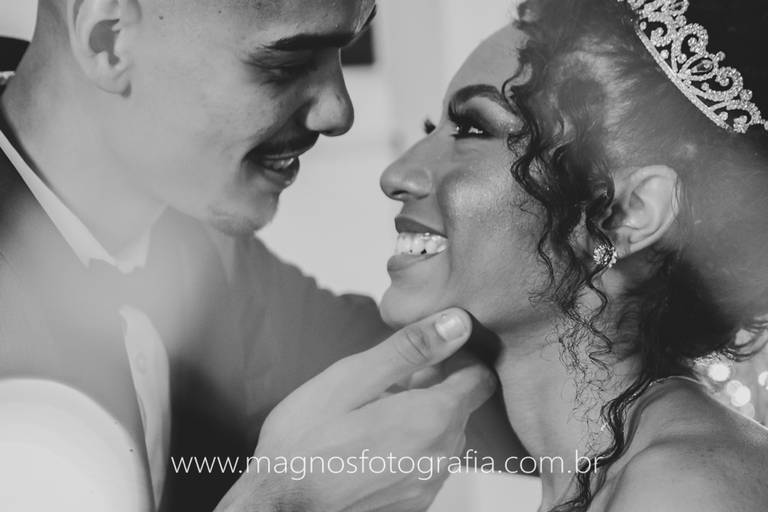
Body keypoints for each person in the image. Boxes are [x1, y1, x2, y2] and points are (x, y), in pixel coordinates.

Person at [0, 1, 504, 511]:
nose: (338, 113)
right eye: (286, 63)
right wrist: (277, 503)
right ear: (107, 40)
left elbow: (457, 380)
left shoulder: (205, 251)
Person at [379, 0, 768, 510]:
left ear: (625, 213)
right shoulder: (617, 476)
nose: (396, 176)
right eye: (431, 129)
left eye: (473, 129)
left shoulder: (682, 489)